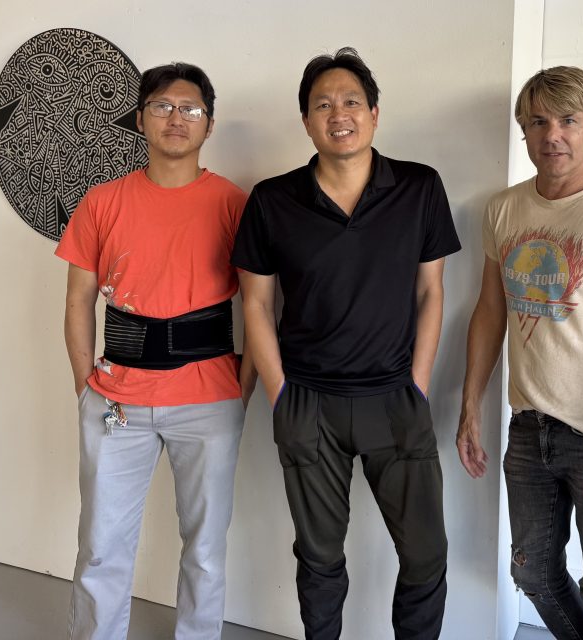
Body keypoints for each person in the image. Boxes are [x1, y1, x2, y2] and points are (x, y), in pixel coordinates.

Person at [232, 47, 460, 640]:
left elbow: (431, 292)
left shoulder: (418, 187)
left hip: (395, 400)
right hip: (309, 403)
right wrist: (281, 395)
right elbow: (255, 302)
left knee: (426, 557)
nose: (340, 114)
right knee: (320, 558)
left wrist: (418, 383)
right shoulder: (272, 200)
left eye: (352, 101)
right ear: (306, 121)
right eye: (323, 104)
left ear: (375, 114)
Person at [456, 66, 583, 640]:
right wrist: (471, 403)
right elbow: (490, 311)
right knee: (534, 575)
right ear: (523, 131)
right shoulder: (503, 209)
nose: (553, 135)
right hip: (528, 430)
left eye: (569, 120)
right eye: (538, 121)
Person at [56, 62, 254, 640]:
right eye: (163, 106)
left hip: (210, 398)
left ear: (208, 125)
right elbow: (77, 301)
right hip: (116, 398)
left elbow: (266, 305)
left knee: (207, 548)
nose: (176, 118)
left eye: (190, 109)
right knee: (100, 544)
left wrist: (242, 391)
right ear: (141, 118)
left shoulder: (233, 204)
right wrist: (83, 384)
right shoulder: (102, 201)